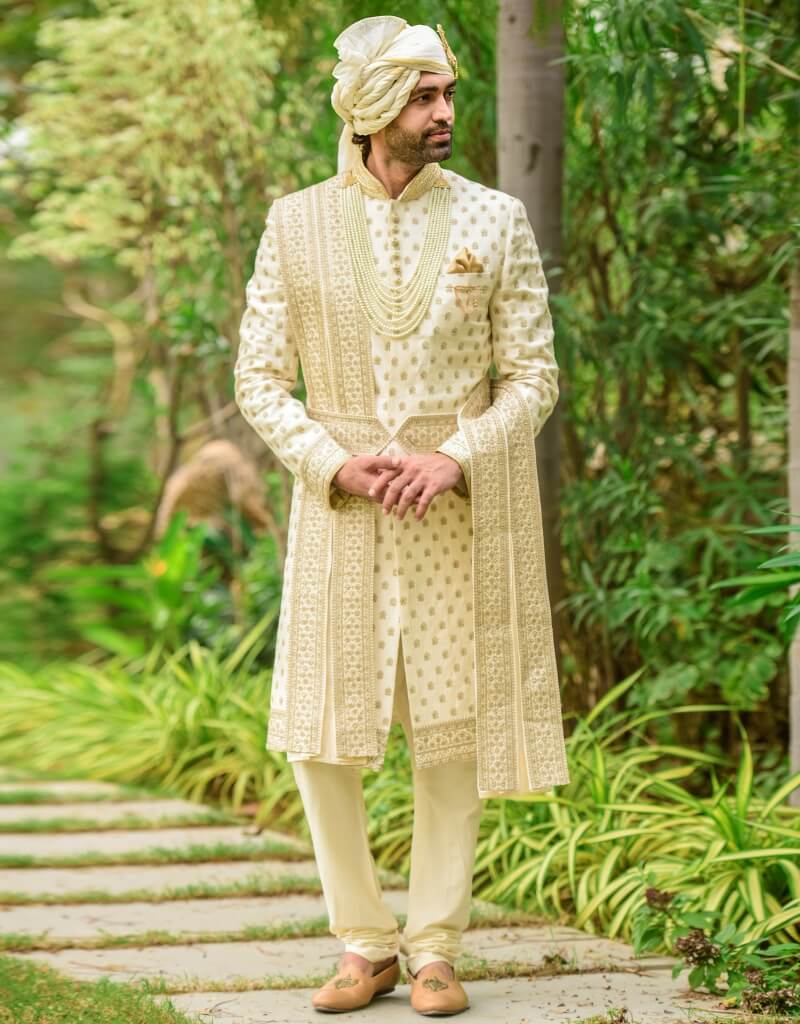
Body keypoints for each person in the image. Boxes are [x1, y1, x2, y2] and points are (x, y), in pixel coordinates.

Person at [233, 14, 571, 1016]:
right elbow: (257, 378)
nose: (442, 114)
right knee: (321, 738)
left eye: (448, 96)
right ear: (372, 108)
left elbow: (533, 376)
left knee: (450, 732)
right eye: (424, 98)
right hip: (338, 511)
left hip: (454, 514)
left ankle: (431, 949)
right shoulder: (294, 223)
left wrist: (451, 456)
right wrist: (332, 464)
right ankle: (360, 942)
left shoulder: (491, 220)